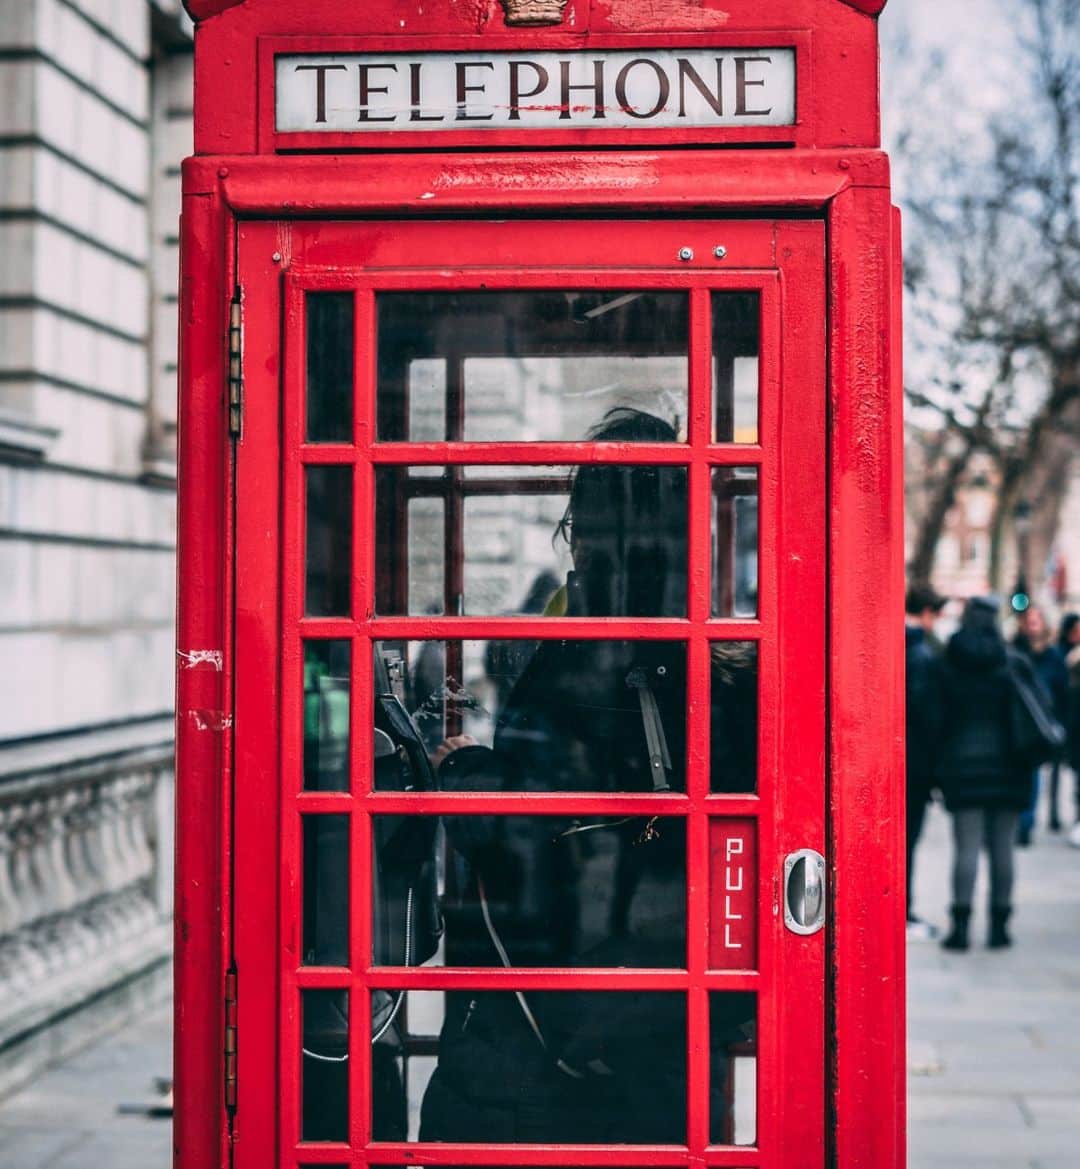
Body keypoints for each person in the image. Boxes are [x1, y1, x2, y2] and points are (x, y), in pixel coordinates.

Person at [418, 409, 757, 1146]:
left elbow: (526, 832)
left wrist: (462, 770)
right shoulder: (725, 662)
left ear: (594, 528)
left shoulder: (585, 653)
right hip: (669, 1040)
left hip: (549, 1046)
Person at [934, 596, 1033, 951]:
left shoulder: (949, 663)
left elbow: (936, 718)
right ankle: (999, 927)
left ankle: (960, 928)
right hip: (1010, 767)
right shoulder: (1012, 661)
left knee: (967, 848)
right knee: (1003, 849)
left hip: (962, 767)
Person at [904, 583, 947, 939]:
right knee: (907, 842)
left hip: (889, 764)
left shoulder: (894, 644)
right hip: (914, 767)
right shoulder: (921, 653)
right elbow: (928, 717)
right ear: (929, 613)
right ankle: (901, 911)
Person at [1012, 605, 1069, 842]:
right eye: (1029, 619)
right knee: (1024, 773)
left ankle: (1027, 822)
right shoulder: (1015, 650)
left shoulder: (1052, 656)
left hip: (1043, 723)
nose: (1033, 624)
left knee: (1036, 773)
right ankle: (1022, 820)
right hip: (1019, 721)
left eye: (1037, 619)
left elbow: (1061, 690)